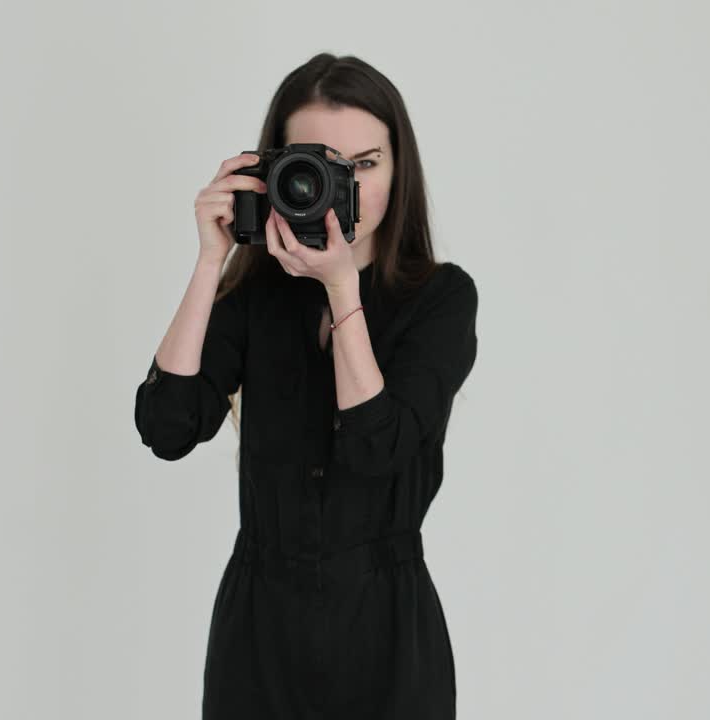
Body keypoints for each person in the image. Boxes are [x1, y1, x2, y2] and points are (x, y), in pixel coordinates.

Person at [133, 52, 478, 719]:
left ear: (400, 166)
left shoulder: (440, 299)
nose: (340, 185)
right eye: (319, 165)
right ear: (277, 172)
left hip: (386, 633)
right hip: (259, 633)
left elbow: (378, 452)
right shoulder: (254, 298)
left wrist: (341, 286)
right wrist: (213, 260)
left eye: (366, 164)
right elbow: (167, 427)